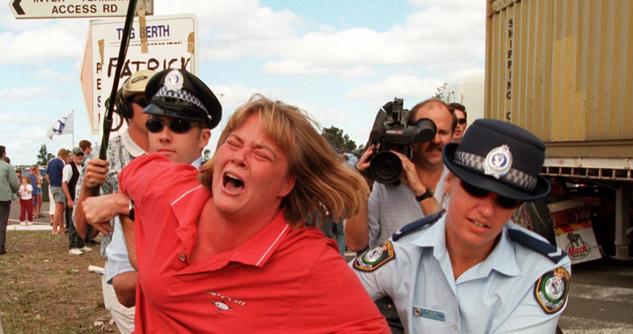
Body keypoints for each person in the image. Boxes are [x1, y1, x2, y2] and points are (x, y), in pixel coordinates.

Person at [85, 95, 390, 333]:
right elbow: (138, 170)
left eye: (261, 154)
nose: (240, 157)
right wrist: (125, 203)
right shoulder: (172, 190)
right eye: (234, 143)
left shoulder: (307, 261)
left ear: (286, 183)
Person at [352, 119, 572, 333]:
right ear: (449, 181)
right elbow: (332, 291)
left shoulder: (542, 269)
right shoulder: (406, 249)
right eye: (475, 189)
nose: (487, 210)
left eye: (506, 200)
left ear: (518, 206)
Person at [82, 68, 218, 311]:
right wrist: (131, 209)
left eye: (179, 125)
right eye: (155, 124)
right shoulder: (135, 187)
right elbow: (123, 289)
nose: (164, 136)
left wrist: (127, 207)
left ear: (204, 138)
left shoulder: (223, 187)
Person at [73, 69, 155, 334]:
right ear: (125, 108)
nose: (155, 108)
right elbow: (83, 230)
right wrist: (88, 186)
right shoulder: (104, 155)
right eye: (145, 101)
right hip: (126, 278)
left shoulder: (176, 148)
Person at [345, 98, 456, 252]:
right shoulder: (384, 176)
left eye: (443, 132)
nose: (436, 140)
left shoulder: (461, 181)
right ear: (410, 133)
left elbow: (453, 241)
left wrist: (419, 190)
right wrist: (360, 188)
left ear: (453, 135)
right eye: (427, 132)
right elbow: (355, 244)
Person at [62, 147, 88, 255]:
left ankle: (81, 244)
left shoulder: (82, 167)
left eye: (81, 155)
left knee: (82, 221)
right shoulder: (69, 167)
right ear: (72, 156)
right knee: (72, 221)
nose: (80, 157)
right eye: (77, 155)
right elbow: (64, 183)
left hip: (82, 199)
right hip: (73, 198)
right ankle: (72, 246)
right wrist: (69, 198)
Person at [0, 146, 19, 255]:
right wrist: (15, 191)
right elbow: (14, 183)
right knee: (2, 223)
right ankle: (0, 247)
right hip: (3, 197)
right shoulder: (7, 167)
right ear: (3, 154)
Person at [47, 148, 69, 235]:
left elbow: (47, 175)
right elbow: (64, 175)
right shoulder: (61, 162)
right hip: (59, 186)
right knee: (59, 208)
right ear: (64, 155)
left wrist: (51, 184)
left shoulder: (50, 162)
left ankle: (62, 228)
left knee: (60, 207)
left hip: (52, 186)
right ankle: (54, 229)